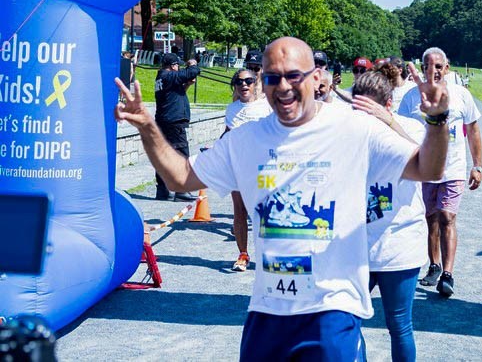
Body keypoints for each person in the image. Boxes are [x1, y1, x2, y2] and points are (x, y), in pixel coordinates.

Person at [114, 36, 449, 360]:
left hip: (330, 310)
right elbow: (180, 177)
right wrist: (147, 126)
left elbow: (428, 168)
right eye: (273, 77)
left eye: (293, 76)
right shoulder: (246, 139)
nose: (283, 86)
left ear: (316, 78)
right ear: (263, 82)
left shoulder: (355, 128)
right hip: (268, 311)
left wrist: (436, 121)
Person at [351, 71, 426, 361]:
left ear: (388, 104)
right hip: (355, 246)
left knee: (399, 324)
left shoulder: (411, 127)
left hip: (399, 244)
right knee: (347, 322)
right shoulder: (348, 130)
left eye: (372, 111)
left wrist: (390, 122)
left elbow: (426, 163)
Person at [399, 47, 482, 297]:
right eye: (427, 65)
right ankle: (434, 264)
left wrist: (477, 165)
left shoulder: (461, 95)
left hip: (453, 168)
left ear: (446, 68)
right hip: (423, 169)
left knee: (447, 216)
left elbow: (473, 129)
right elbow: (399, 131)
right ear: (421, 68)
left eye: (438, 66)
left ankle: (448, 273)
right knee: (430, 217)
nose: (432, 70)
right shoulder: (411, 98)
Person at [224, 68, 272, 272]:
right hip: (237, 165)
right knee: (239, 211)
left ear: (255, 84)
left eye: (248, 81)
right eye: (239, 82)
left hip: (263, 167)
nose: (244, 85)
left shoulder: (266, 106)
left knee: (265, 212)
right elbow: (228, 134)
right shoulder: (231, 109)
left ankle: (268, 254)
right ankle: (243, 254)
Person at [153, 53, 200, 201]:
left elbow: (175, 94)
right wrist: (192, 64)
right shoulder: (168, 76)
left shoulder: (163, 77)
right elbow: (193, 71)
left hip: (165, 120)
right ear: (173, 66)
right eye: (177, 65)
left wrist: (187, 84)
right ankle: (181, 191)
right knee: (181, 154)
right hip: (174, 121)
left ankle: (162, 190)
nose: (179, 67)